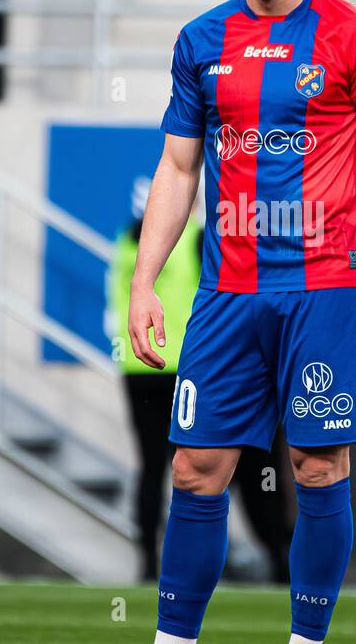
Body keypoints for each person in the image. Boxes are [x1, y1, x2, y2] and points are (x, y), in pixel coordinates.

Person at [129, 0, 356, 644]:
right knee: (195, 467)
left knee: (318, 469)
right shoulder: (200, 41)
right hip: (228, 294)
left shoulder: (353, 36)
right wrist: (145, 280)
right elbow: (178, 169)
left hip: (321, 292)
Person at [110, 212, 291, 583]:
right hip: (190, 367)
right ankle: (277, 558)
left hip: (139, 367)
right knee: (233, 463)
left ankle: (147, 563)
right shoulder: (195, 236)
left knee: (152, 467)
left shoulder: (128, 241)